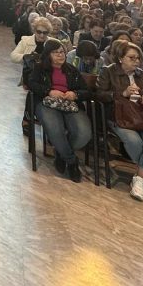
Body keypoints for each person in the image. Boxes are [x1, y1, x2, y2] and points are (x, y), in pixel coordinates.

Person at [96, 41, 143, 201]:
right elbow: (99, 95)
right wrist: (122, 93)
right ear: (120, 58)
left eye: (138, 58)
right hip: (120, 117)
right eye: (131, 57)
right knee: (134, 141)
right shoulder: (108, 71)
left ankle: (139, 178)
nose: (136, 61)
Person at [26, 39, 93, 182]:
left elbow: (86, 91)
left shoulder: (71, 70)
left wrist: (75, 94)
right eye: (55, 52)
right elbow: (31, 84)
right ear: (48, 55)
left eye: (62, 52)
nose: (60, 55)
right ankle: (72, 161)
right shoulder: (40, 68)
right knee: (55, 129)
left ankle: (61, 152)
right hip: (46, 103)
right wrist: (49, 91)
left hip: (69, 104)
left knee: (84, 133)